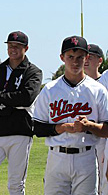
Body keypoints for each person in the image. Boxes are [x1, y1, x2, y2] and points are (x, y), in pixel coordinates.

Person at [33, 36, 108, 195]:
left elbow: (107, 129)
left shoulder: (97, 90)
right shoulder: (50, 89)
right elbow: (37, 127)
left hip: (86, 156)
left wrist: (89, 126)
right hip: (56, 157)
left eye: (80, 57)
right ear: (62, 58)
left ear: (86, 58)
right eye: (70, 57)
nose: (75, 62)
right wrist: (62, 127)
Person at [0, 31, 42, 195]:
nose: (13, 49)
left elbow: (26, 97)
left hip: (20, 132)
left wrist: (0, 97)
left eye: (17, 46)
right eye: (10, 46)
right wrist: (8, 100)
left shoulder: (33, 71)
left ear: (26, 48)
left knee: (15, 185)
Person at [84, 43, 105, 193]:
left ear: (100, 61)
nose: (86, 60)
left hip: (104, 136)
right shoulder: (76, 84)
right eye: (84, 56)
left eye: (91, 57)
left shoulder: (105, 81)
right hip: (83, 138)